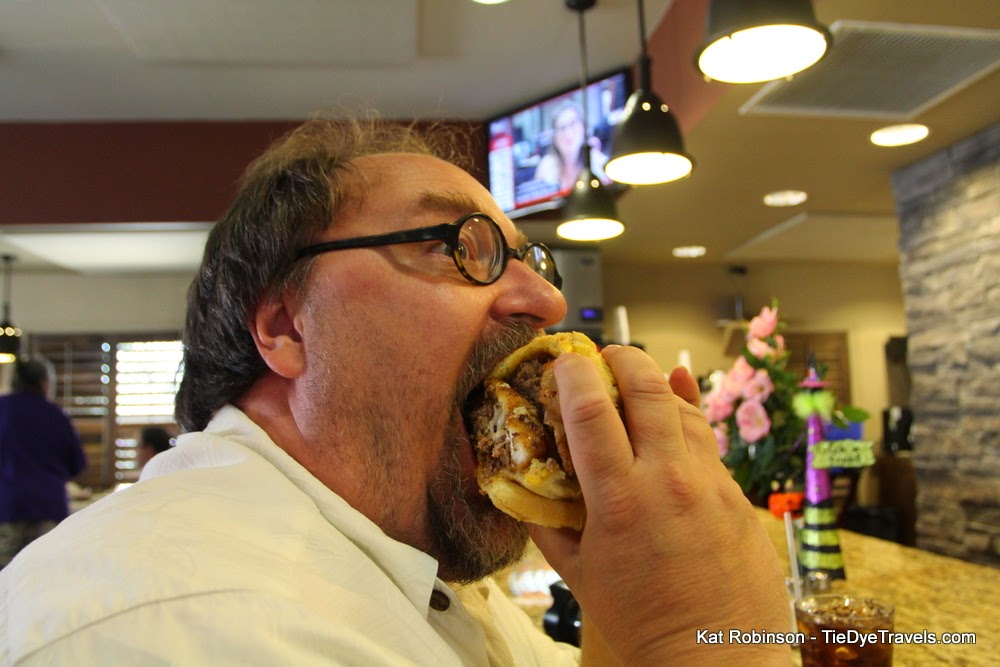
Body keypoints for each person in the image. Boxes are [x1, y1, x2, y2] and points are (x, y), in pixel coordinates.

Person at [0, 117, 790, 665]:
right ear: (285, 324)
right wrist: (710, 637)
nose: (547, 301)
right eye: (457, 246)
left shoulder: (405, 564)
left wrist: (637, 603)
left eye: (532, 260)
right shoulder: (197, 618)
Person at [0, 357, 87, 571]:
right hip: (48, 506)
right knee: (45, 572)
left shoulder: (2, 409)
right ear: (44, 383)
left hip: (6, 505)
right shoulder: (56, 415)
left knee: (4, 572)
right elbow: (77, 464)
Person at [533, 99, 609, 193]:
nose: (568, 133)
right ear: (554, 137)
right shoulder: (545, 166)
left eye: (572, 124)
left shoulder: (597, 161)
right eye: (562, 128)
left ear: (583, 126)